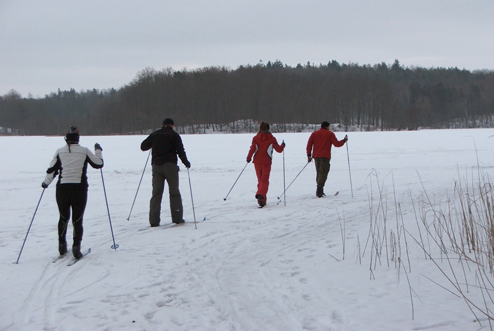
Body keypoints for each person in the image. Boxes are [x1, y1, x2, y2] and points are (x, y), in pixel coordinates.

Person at [42, 126, 104, 259]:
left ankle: (62, 246)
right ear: (78, 139)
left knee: (63, 217)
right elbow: (98, 164)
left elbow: (51, 170)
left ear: (66, 140)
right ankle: (76, 247)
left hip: (62, 189)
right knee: (77, 219)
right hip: (79, 189)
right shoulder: (84, 151)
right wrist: (98, 151)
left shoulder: (59, 152)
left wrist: (45, 183)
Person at [141, 118, 191, 227]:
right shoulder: (174, 135)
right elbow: (180, 151)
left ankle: (154, 221)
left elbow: (143, 146)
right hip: (170, 165)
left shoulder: (155, 134)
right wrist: (186, 162)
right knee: (174, 192)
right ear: (171, 125)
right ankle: (177, 218)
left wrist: (154, 144)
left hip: (156, 166)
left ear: (163, 125)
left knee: (156, 194)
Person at [246, 121, 285, 207]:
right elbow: (279, 150)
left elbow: (253, 148)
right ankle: (261, 195)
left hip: (257, 162)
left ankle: (262, 201)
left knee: (260, 181)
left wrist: (248, 158)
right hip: (266, 162)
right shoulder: (271, 138)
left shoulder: (256, 138)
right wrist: (282, 145)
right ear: (268, 128)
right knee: (265, 181)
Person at [306, 121, 348, 198]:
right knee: (323, 172)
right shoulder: (330, 134)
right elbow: (337, 144)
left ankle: (320, 190)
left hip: (316, 156)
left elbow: (309, 144)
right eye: (329, 126)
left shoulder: (314, 134)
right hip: (325, 156)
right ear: (327, 127)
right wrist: (344, 140)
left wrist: (309, 155)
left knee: (319, 172)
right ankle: (319, 191)